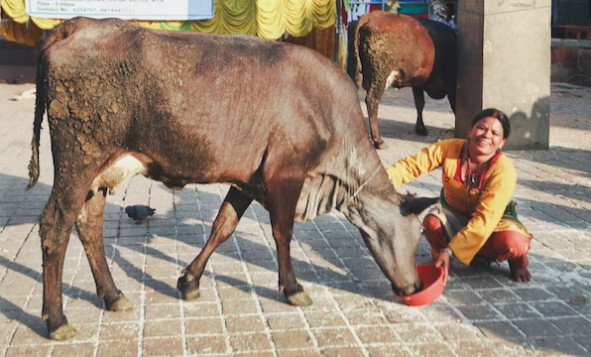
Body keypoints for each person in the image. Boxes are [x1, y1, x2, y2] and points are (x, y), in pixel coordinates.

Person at [387, 108, 532, 283]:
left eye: (494, 133)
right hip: (453, 214)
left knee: (513, 242)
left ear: (502, 142)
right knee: (431, 223)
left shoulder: (504, 170)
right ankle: (442, 253)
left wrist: (452, 250)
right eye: (481, 128)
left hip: (493, 222)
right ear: (470, 130)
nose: (486, 135)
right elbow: (412, 165)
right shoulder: (449, 148)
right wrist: (381, 181)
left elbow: (485, 220)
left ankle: (518, 261)